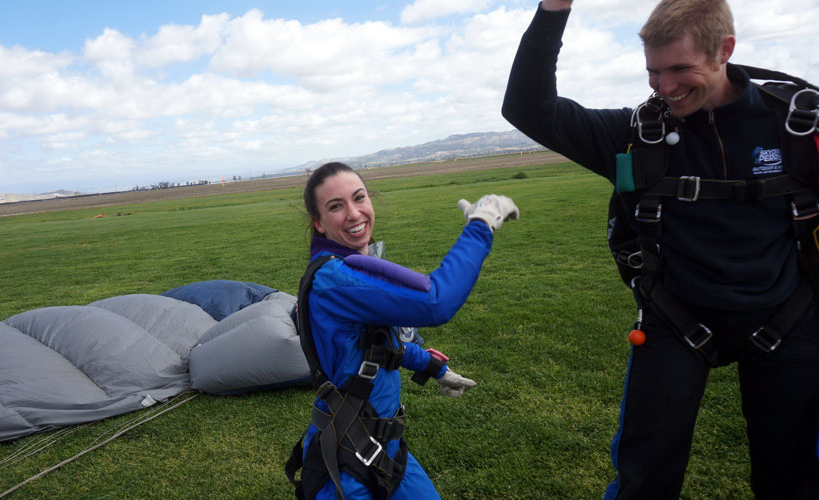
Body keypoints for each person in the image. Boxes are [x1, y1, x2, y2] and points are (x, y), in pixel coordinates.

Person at [501, 1, 819, 499]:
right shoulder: (636, 136)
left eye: (679, 69)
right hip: (677, 319)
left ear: (724, 51)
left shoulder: (798, 125)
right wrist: (553, 10)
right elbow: (528, 108)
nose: (664, 88)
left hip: (787, 317)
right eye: (653, 71)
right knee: (644, 480)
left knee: (794, 478)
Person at [285, 162, 517, 499]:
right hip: (348, 463)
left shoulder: (345, 271)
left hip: (385, 450)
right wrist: (482, 223)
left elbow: (373, 347)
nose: (353, 213)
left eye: (359, 198)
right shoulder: (336, 280)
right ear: (318, 223)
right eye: (336, 206)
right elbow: (435, 302)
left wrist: (432, 366)